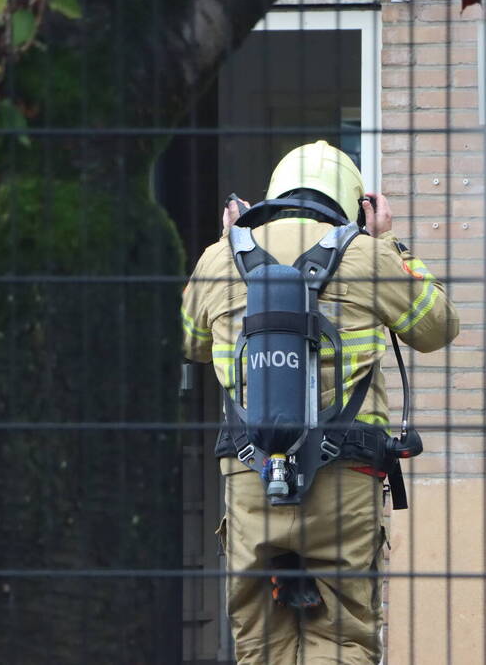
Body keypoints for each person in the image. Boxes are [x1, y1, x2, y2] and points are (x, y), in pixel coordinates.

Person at [181, 141, 459, 664]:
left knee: (259, 642)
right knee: (345, 637)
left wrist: (226, 244)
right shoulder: (367, 256)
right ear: (353, 203)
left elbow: (190, 342)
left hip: (250, 476)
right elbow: (438, 326)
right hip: (346, 479)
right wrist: (389, 242)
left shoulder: (221, 258)